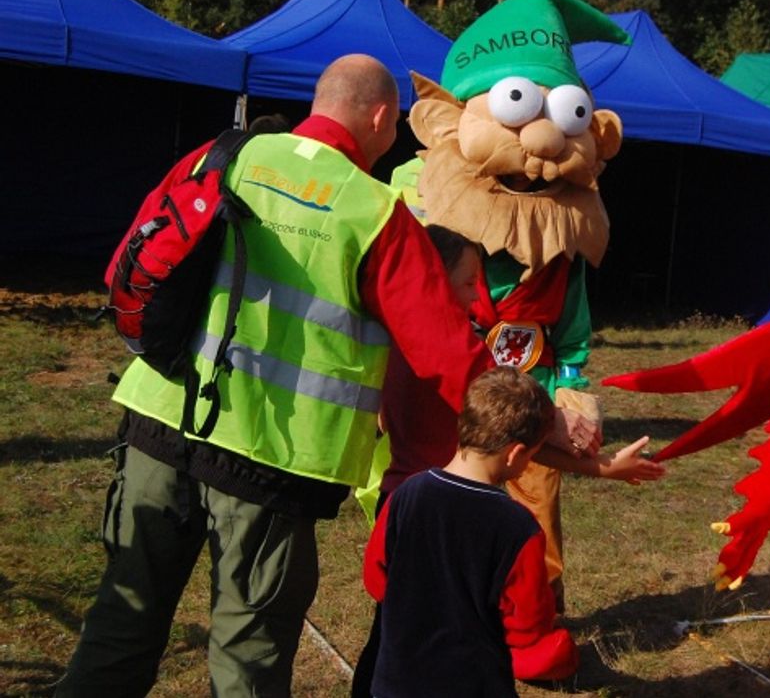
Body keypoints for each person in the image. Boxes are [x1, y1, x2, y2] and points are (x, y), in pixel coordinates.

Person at [56, 54, 497, 697]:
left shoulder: (222, 155)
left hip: (158, 422)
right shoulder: (373, 210)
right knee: (248, 658)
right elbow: (446, 350)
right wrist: (537, 421)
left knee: (120, 625)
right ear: (381, 117)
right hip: (268, 463)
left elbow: (133, 255)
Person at [349, 225, 664, 697]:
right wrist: (601, 466)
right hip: (455, 520)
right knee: (466, 633)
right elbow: (515, 443)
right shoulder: (451, 360)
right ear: (434, 280)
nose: (476, 298)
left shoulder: (398, 344)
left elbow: (377, 583)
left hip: (404, 503)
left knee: (394, 634)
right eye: (466, 284)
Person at [362, 367, 586, 697]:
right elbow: (527, 629)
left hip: (394, 684)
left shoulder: (405, 495)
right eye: (532, 455)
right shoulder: (518, 528)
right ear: (515, 453)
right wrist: (560, 651)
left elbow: (375, 580)